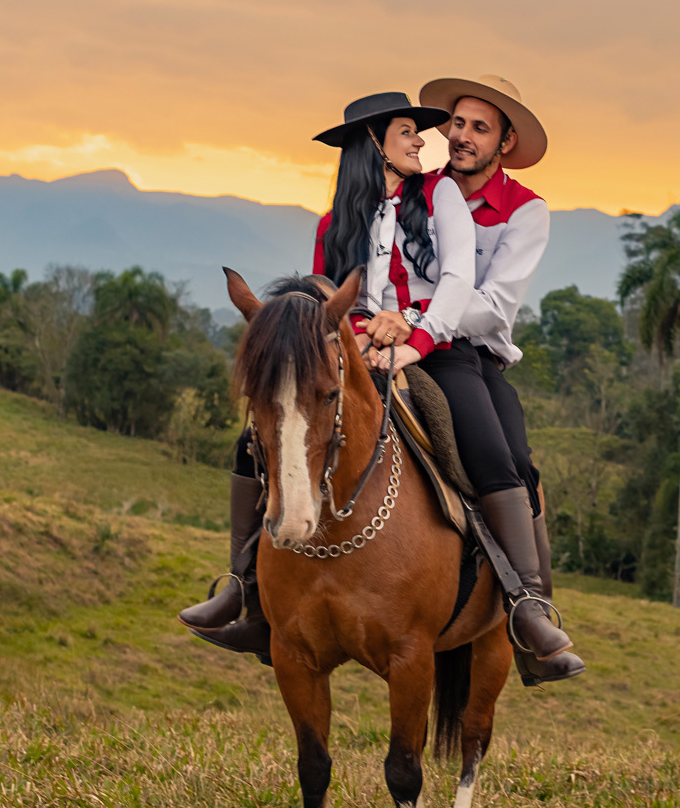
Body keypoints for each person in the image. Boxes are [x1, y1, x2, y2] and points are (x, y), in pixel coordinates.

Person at [178, 89, 468, 655]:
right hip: (352, 356)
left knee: (482, 443)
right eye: (407, 130)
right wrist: (352, 336)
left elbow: (457, 281)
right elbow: (320, 304)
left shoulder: (442, 195)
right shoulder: (333, 223)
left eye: (419, 132)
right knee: (253, 441)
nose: (421, 140)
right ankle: (245, 583)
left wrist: (409, 326)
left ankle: (519, 593)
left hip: (430, 348)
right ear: (373, 142)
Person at [411, 73, 586, 686]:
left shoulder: (525, 211)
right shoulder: (419, 191)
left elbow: (494, 303)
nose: (461, 137)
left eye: (479, 128)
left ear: (504, 143)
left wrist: (424, 316)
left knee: (510, 460)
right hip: (402, 341)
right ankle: (253, 584)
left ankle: (531, 611)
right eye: (457, 123)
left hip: (471, 353)